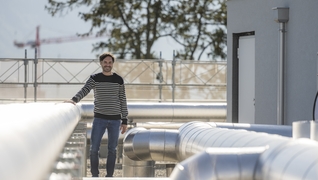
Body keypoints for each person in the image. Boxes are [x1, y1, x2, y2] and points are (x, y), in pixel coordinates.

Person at [65, 52, 128, 177]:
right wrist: (74, 100)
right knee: (94, 149)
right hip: (99, 118)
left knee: (112, 150)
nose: (107, 64)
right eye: (105, 62)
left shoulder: (118, 80)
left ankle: (109, 176)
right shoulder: (94, 78)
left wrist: (124, 120)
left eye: (110, 62)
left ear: (112, 64)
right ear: (101, 63)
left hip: (115, 120)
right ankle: (95, 176)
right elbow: (85, 90)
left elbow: (123, 99)